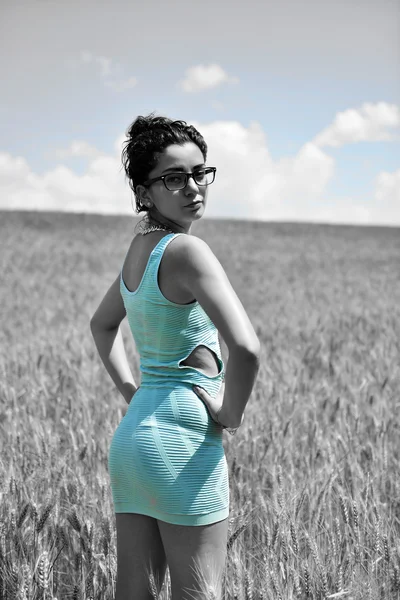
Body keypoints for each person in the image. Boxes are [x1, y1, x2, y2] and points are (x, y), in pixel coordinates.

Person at [90, 113, 260, 600]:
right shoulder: (187, 250)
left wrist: (133, 393)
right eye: (173, 177)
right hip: (184, 445)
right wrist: (230, 413)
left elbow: (101, 325)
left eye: (199, 172)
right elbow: (246, 348)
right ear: (144, 192)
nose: (193, 187)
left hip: (134, 443)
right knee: (199, 594)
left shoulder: (139, 250)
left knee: (134, 593)